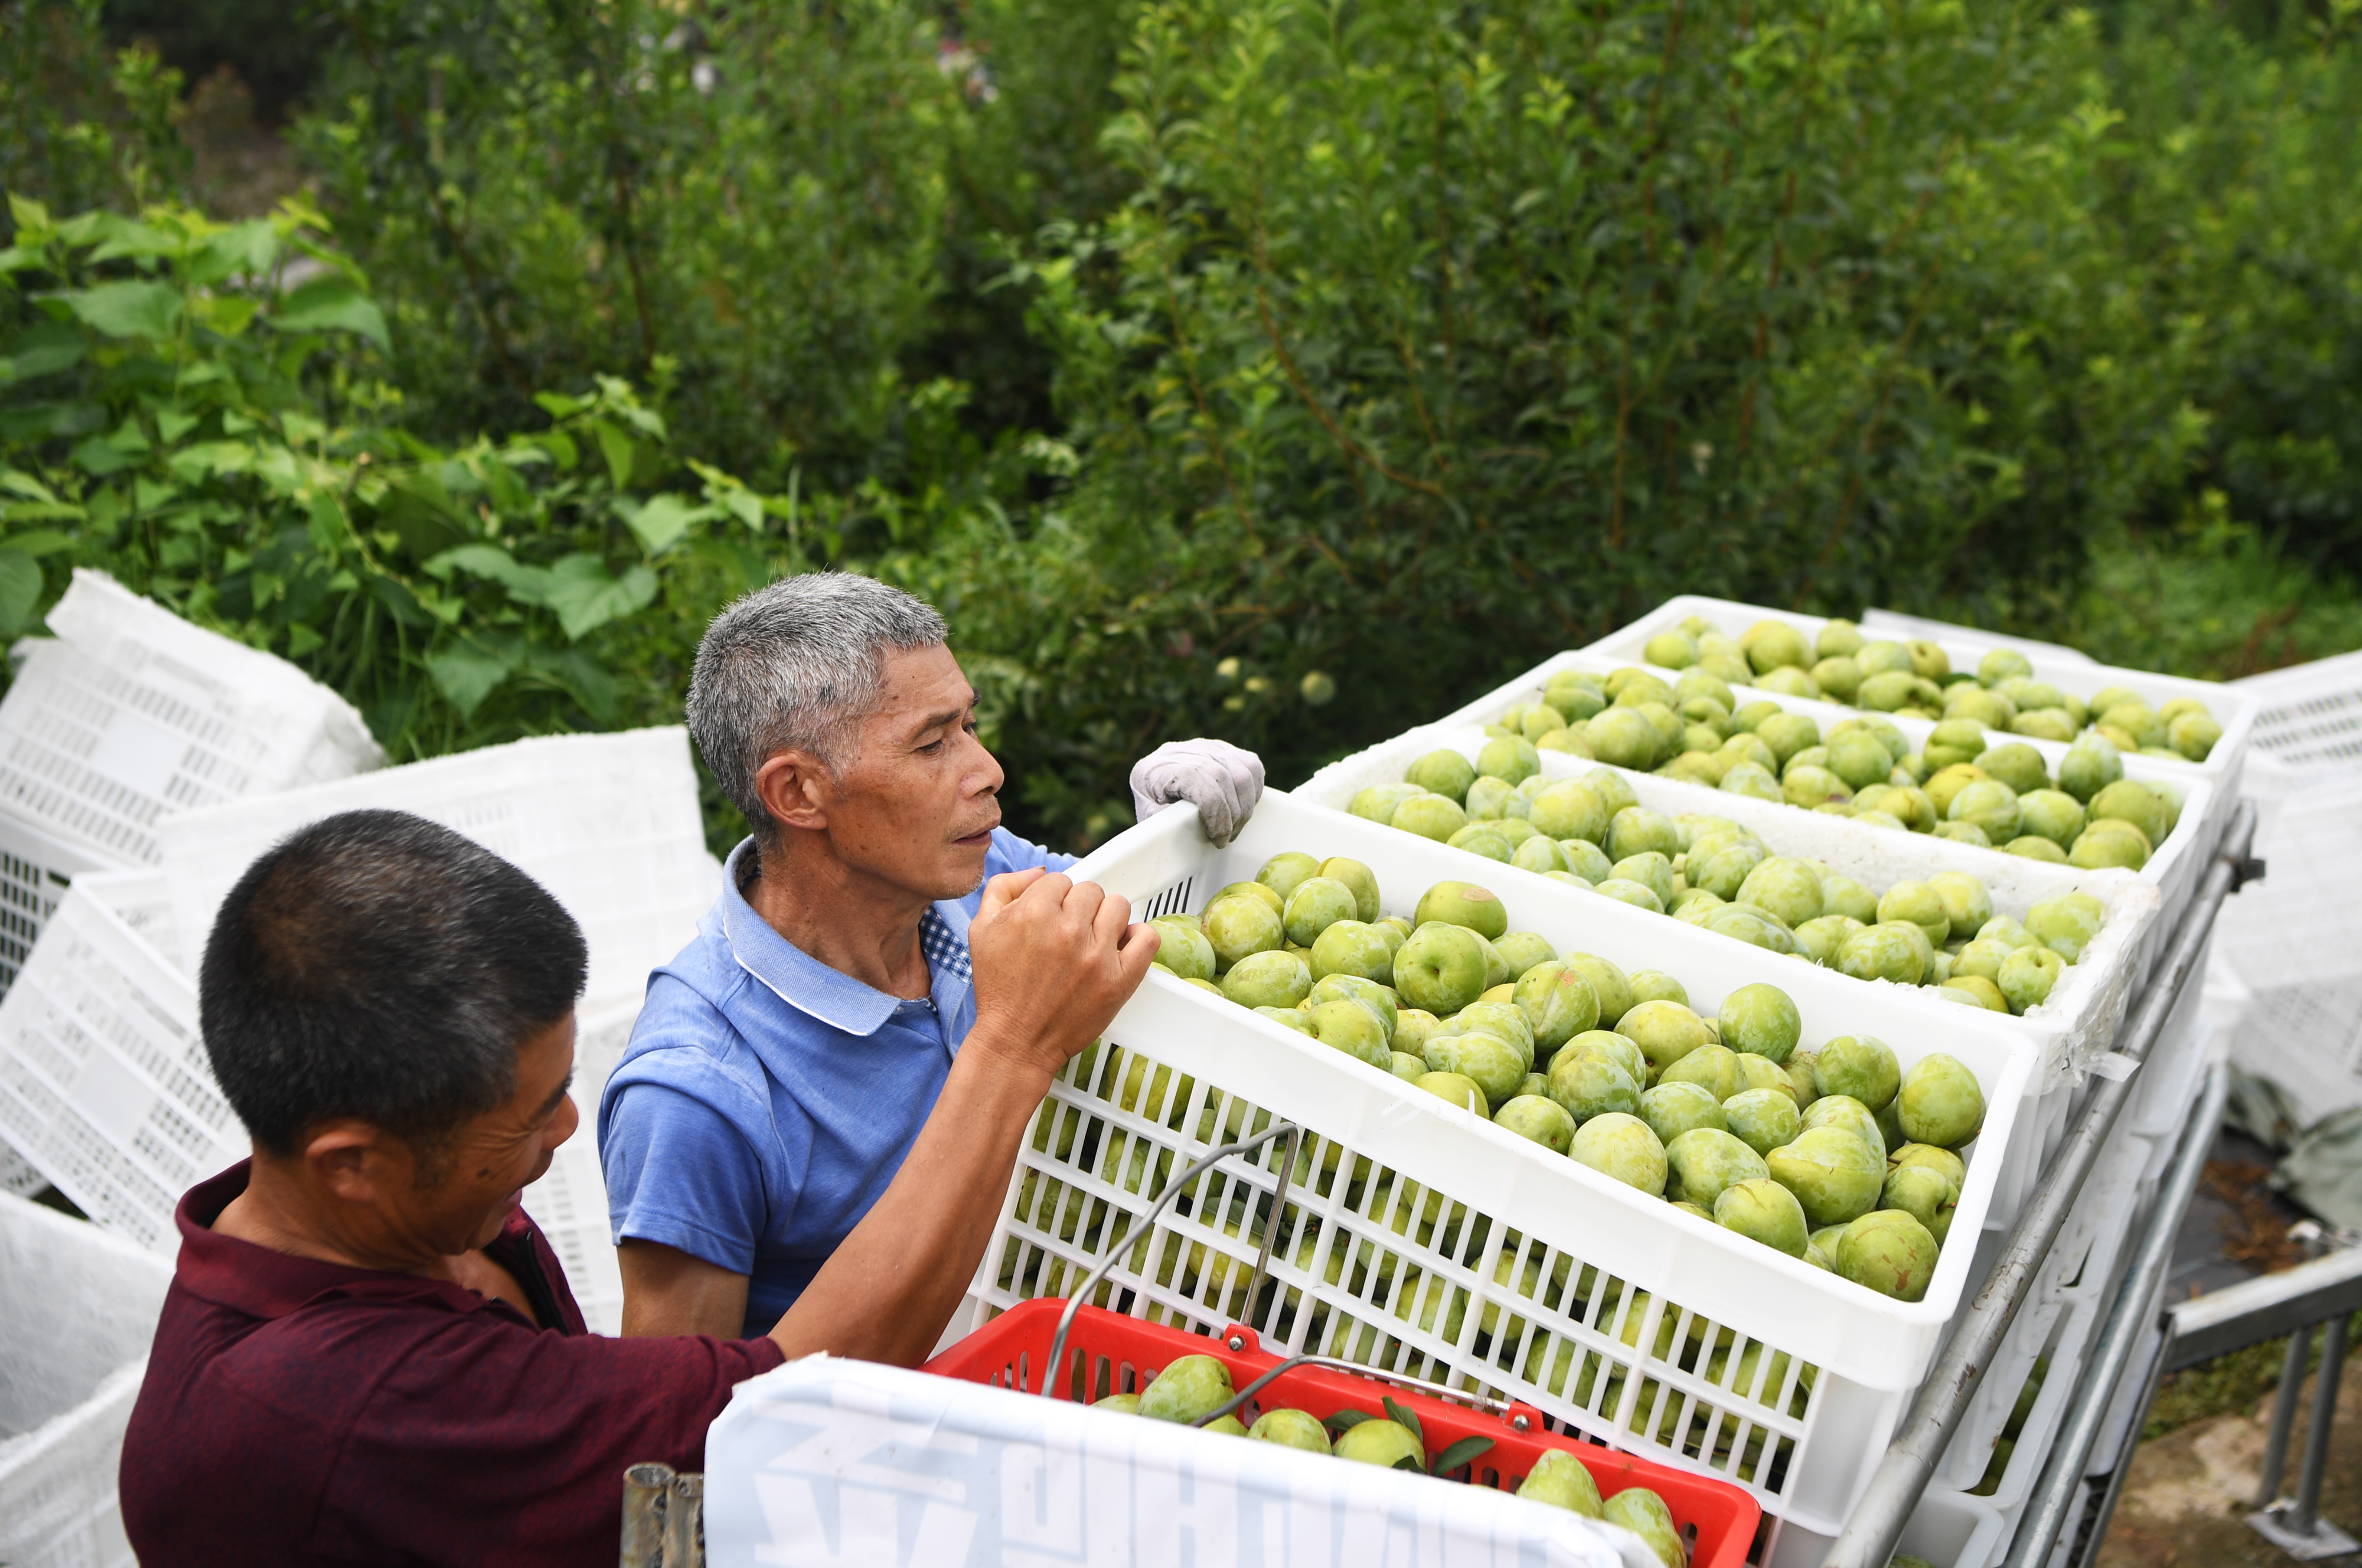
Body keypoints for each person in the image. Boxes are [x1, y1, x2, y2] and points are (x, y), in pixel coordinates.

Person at [119, 808, 1154, 1566]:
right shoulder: (346, 1406)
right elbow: (777, 1406)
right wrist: (1013, 1050)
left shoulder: (385, 1219)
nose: (569, 1130)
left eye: (560, 1088)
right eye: (528, 1118)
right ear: (353, 1165)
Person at [601, 573, 1263, 1337]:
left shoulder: (980, 876)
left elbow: (1143, 940)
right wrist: (1009, 1043)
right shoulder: (695, 1095)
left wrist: (1168, 848)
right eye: (932, 743)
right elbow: (687, 1436)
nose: (986, 771)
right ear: (799, 793)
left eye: (969, 727)